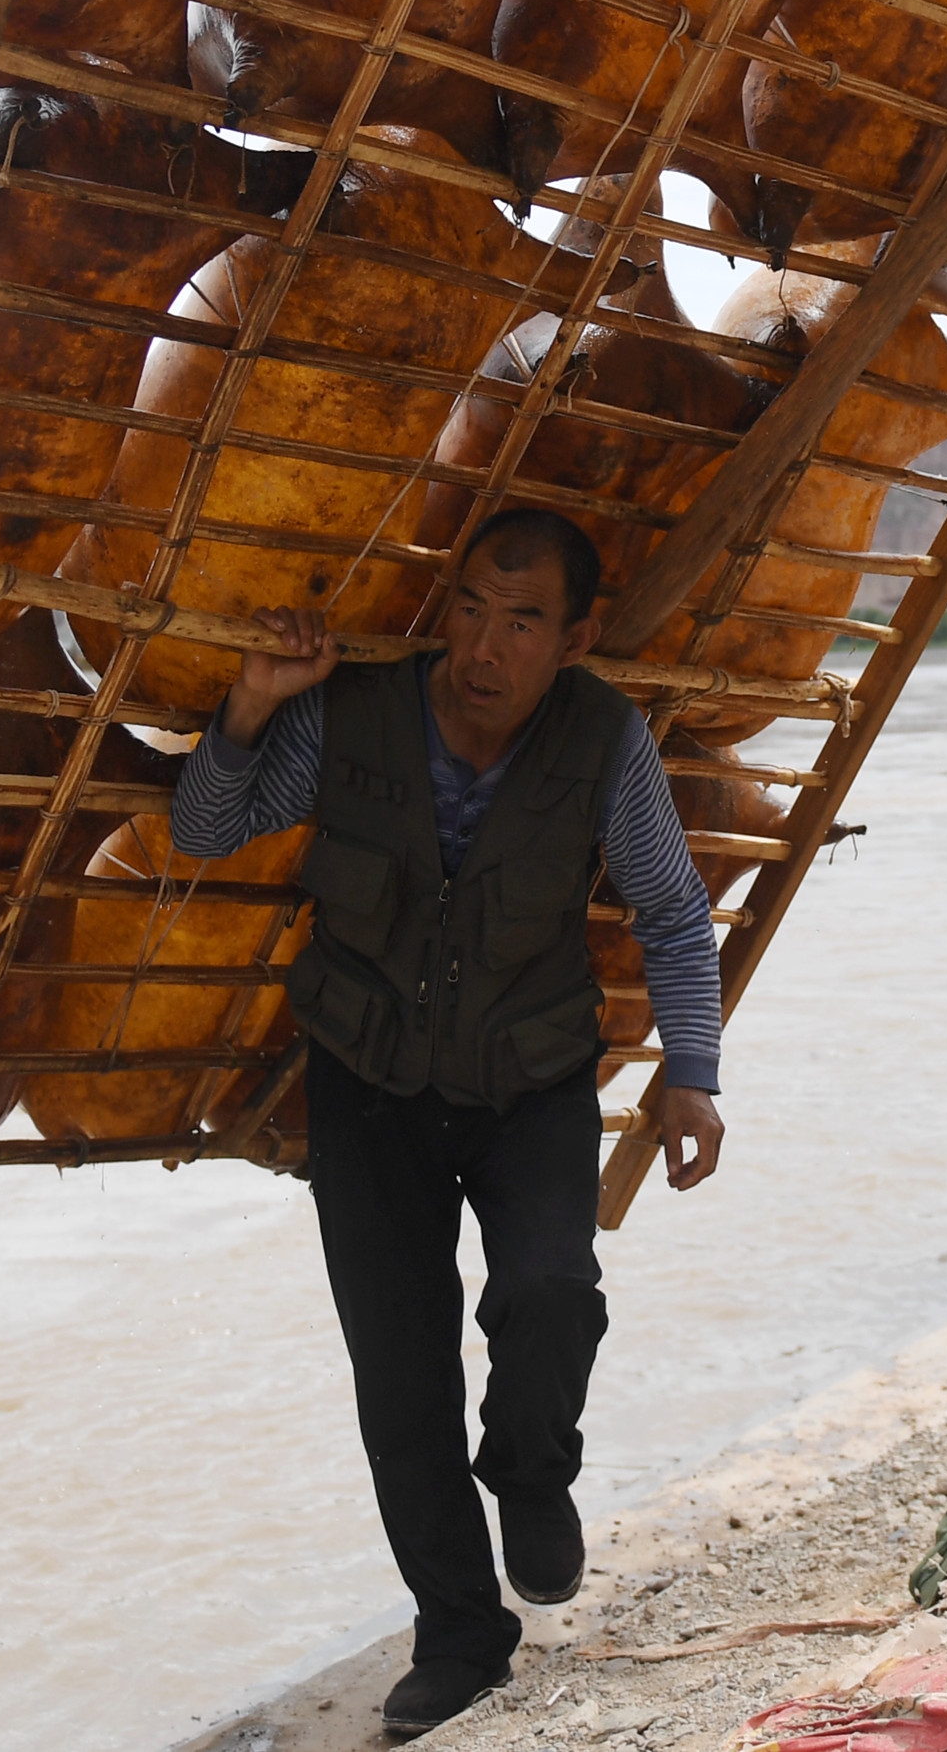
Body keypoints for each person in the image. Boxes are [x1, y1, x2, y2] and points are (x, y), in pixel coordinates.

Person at [171, 506, 729, 1743]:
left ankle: (532, 1474)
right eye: (471, 605)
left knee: (547, 1289)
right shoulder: (353, 710)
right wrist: (255, 704)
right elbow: (201, 830)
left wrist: (689, 1070)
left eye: (522, 619)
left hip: (529, 1076)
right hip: (365, 1085)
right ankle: (460, 1631)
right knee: (399, 1372)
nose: (485, 644)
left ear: (575, 635)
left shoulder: (601, 738)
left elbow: (672, 910)